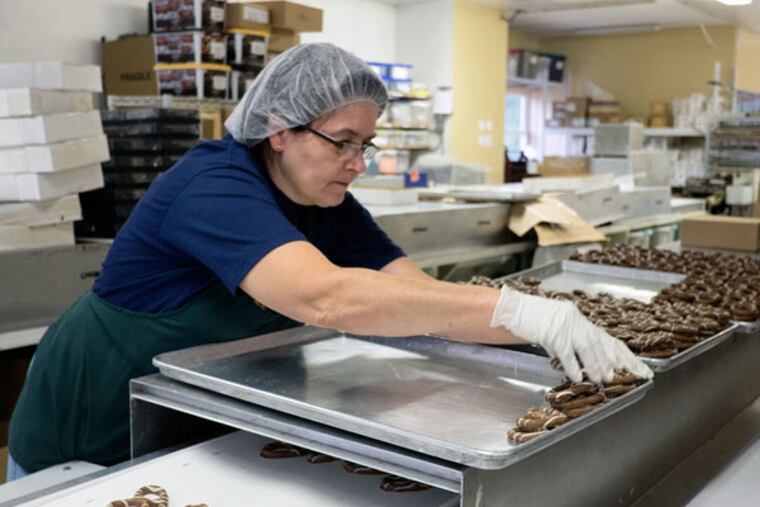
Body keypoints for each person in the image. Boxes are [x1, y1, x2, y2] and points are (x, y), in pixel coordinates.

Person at [6, 43, 651, 481]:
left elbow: (416, 299)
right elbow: (328, 298)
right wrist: (518, 308)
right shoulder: (212, 185)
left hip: (186, 422)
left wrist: (555, 337)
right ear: (279, 129)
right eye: (343, 141)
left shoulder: (325, 201)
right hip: (86, 429)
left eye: (365, 145)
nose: (357, 162)